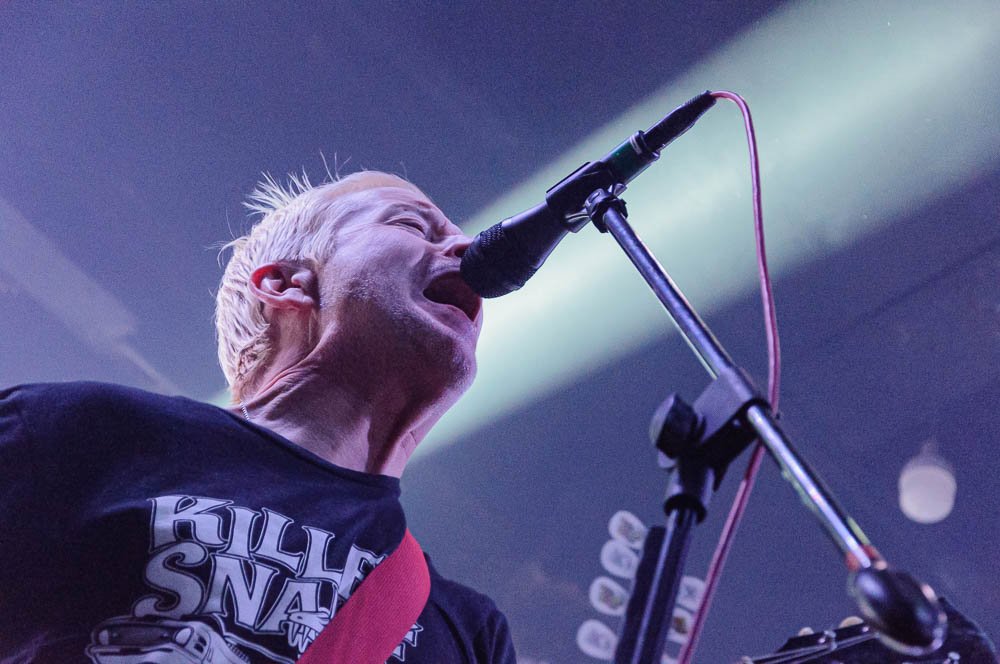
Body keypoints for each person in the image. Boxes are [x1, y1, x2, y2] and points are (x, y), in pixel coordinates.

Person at [0, 171, 517, 663]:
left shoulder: (469, 630)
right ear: (286, 283)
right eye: (411, 225)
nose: (468, 249)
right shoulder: (78, 435)